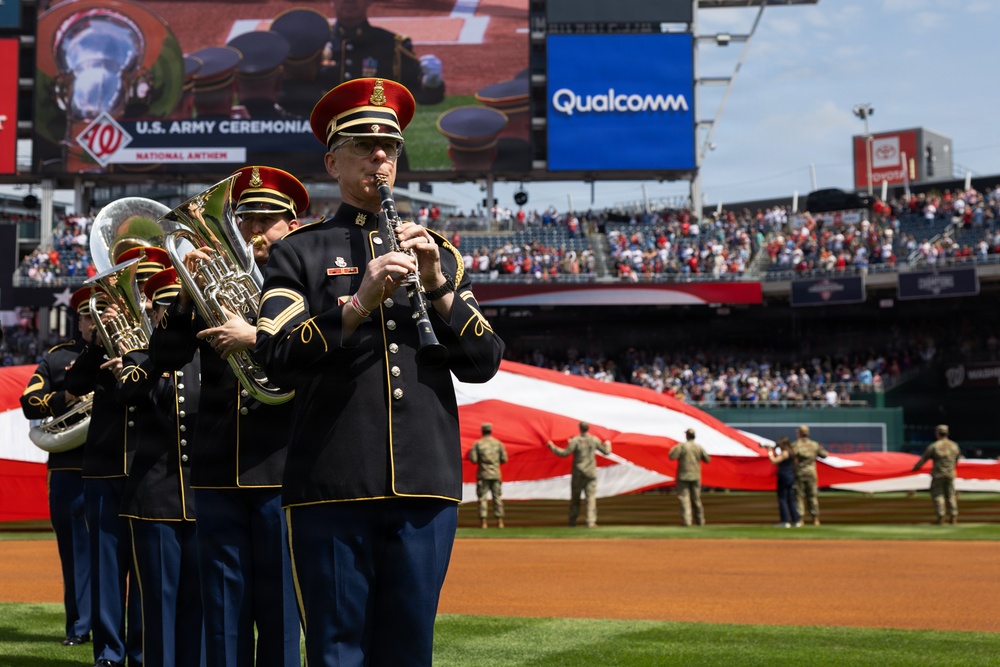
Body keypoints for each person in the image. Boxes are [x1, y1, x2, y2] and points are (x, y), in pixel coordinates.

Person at [254, 77, 504, 666]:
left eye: (389, 145)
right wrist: (359, 302)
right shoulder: (301, 251)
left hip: (425, 478)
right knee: (337, 650)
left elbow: (484, 362)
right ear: (332, 161)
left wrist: (438, 286)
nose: (381, 157)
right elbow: (275, 358)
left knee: (410, 648)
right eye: (364, 146)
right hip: (334, 479)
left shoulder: (438, 251)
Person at [150, 165, 305, 667]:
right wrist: (184, 293)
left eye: (268, 220)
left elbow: (314, 356)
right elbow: (166, 356)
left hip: (282, 468)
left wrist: (256, 337)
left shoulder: (303, 281)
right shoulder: (212, 282)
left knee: (281, 607)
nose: (256, 231)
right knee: (221, 609)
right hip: (217, 469)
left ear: (291, 225)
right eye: (248, 220)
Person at [116, 269, 204, 667]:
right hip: (154, 503)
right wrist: (160, 351)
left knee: (201, 609)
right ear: (153, 315)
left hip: (204, 499)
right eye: (164, 308)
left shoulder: (211, 356)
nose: (170, 314)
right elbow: (128, 390)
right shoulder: (139, 360)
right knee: (158, 609)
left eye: (178, 306)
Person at [65, 278, 145, 667]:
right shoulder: (97, 345)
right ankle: (110, 653)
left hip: (149, 468)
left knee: (149, 569)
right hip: (106, 465)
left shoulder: (160, 334)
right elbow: (75, 383)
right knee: (107, 566)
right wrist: (97, 344)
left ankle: (144, 651)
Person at [20, 323, 91, 648]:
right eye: (91, 315)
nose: (96, 321)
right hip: (69, 466)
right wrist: (67, 396)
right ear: (80, 321)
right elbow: (29, 401)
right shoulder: (58, 356)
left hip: (122, 463)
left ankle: (119, 627)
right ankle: (79, 625)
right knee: (74, 553)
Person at [324, 0, 445, 104]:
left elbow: (424, 95)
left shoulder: (391, 45)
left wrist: (431, 83)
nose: (349, 1)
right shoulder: (317, 43)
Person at [546, 421, 612, 528]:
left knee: (575, 499)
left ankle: (572, 522)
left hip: (578, 474)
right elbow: (606, 452)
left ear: (579, 428)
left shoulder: (575, 441)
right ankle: (590, 522)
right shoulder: (594, 440)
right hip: (590, 473)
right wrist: (608, 444)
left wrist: (551, 446)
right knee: (590, 498)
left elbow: (564, 453)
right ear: (588, 428)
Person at [912, 424, 963, 525]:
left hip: (938, 475)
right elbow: (957, 460)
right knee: (951, 495)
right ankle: (953, 516)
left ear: (937, 433)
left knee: (938, 495)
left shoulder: (934, 446)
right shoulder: (954, 446)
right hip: (950, 474)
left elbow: (924, 459)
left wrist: (915, 468)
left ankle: (941, 517)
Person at [468, 422, 508, 529]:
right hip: (495, 474)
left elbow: (473, 459)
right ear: (491, 430)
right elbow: (504, 459)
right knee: (497, 498)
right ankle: (500, 522)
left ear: (482, 431)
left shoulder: (478, 444)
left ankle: (484, 523)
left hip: (483, 475)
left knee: (482, 499)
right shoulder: (498, 443)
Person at [668, 428, 711, 527]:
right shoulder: (698, 447)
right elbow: (707, 459)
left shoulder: (682, 446)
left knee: (684, 499)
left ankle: (687, 521)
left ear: (686, 436)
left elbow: (671, 456)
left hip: (683, 476)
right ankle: (700, 521)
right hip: (695, 476)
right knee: (696, 499)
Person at [791, 425, 829, 526]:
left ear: (799, 433)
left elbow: (790, 455)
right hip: (811, 473)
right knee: (812, 496)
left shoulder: (795, 445)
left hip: (799, 473)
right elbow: (825, 455)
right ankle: (815, 519)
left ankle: (800, 519)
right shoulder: (814, 445)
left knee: (799, 496)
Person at [768, 436, 800, 528]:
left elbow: (773, 461)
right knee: (791, 499)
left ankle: (785, 521)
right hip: (790, 477)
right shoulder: (792, 452)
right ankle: (796, 520)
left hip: (783, 477)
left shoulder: (785, 453)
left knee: (782, 499)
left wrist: (769, 451)